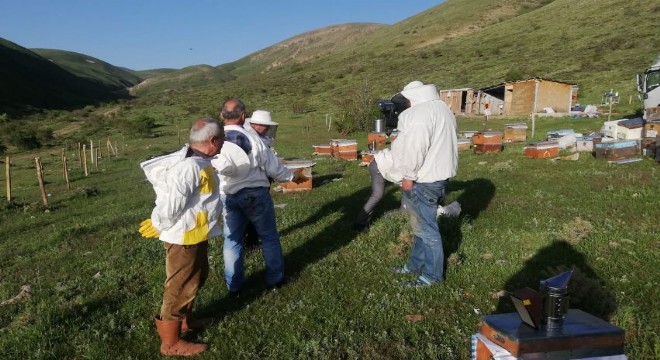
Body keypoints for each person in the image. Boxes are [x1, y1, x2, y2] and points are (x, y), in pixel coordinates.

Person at [138, 118, 224, 356]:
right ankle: (170, 343)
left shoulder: (199, 163)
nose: (224, 144)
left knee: (195, 279)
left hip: (195, 235)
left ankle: (185, 321)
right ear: (213, 140)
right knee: (178, 287)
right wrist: (158, 224)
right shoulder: (188, 168)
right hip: (182, 238)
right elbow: (171, 204)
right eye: (222, 140)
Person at [216, 100, 301, 293]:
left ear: (222, 116)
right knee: (268, 236)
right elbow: (273, 167)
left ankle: (234, 286)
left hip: (227, 194)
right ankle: (275, 279)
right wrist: (292, 176)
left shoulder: (215, 138)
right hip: (254, 193)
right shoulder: (253, 138)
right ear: (244, 116)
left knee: (232, 239)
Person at [387, 80, 458, 288]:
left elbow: (415, 148)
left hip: (422, 178)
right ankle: (414, 264)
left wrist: (408, 176)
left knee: (427, 229)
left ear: (412, 97)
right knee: (419, 224)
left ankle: (432, 277)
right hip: (438, 176)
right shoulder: (442, 108)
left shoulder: (418, 114)